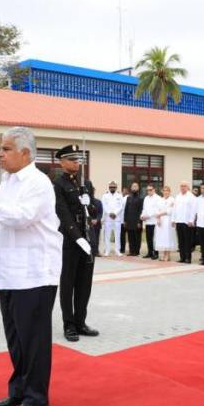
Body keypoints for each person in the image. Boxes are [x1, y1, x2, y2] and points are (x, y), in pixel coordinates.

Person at [0, 126, 63, 406]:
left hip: (34, 274)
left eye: (6, 149)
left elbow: (20, 218)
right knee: (16, 337)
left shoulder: (39, 183)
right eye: (0, 148)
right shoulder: (5, 183)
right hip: (9, 273)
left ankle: (36, 396)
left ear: (25, 153)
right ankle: (18, 389)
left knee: (33, 338)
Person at [52, 144, 98, 342]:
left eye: (78, 159)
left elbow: (94, 211)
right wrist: (77, 237)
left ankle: (81, 322)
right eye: (72, 159)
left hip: (87, 238)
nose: (76, 162)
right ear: (62, 162)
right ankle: (69, 324)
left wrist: (91, 204)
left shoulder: (85, 184)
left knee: (84, 284)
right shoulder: (58, 185)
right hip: (71, 240)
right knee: (68, 283)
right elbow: (63, 213)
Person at [172, 181, 197, 263]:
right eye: (181, 186)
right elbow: (174, 209)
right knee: (181, 241)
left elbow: (194, 209)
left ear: (187, 187)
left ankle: (188, 258)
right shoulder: (178, 196)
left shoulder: (191, 196)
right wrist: (173, 220)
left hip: (187, 222)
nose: (183, 187)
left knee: (187, 241)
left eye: (184, 186)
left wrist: (191, 220)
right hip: (179, 221)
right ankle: (182, 257)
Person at [154, 185, 176, 261]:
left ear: (169, 192)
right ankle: (164, 254)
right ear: (162, 191)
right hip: (161, 220)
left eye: (167, 190)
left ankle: (167, 255)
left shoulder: (172, 200)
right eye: (164, 190)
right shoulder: (160, 200)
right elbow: (157, 209)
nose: (165, 192)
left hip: (168, 220)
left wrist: (160, 214)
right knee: (162, 237)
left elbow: (170, 210)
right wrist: (158, 218)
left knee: (168, 237)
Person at [101, 181, 124, 256]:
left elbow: (121, 206)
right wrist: (109, 213)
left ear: (116, 187)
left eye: (114, 187)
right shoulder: (105, 196)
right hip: (108, 218)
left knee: (117, 235)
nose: (112, 188)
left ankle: (117, 250)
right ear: (109, 187)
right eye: (111, 187)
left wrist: (115, 213)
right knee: (107, 235)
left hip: (117, 218)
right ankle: (107, 250)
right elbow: (104, 206)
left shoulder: (119, 196)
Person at [141, 184, 161, 259]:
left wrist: (148, 215)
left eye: (150, 190)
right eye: (147, 190)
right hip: (147, 221)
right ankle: (150, 252)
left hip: (154, 221)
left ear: (154, 190)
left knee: (155, 238)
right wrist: (142, 216)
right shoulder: (146, 198)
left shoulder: (158, 198)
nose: (149, 191)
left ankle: (156, 253)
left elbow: (157, 210)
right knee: (148, 238)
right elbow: (144, 209)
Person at [123, 182, 144, 256]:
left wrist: (139, 221)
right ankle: (131, 251)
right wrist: (125, 220)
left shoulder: (141, 198)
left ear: (138, 188)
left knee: (137, 237)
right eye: (133, 186)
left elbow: (141, 210)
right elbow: (126, 209)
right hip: (129, 220)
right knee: (130, 237)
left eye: (136, 186)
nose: (134, 188)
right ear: (131, 188)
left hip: (137, 221)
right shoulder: (128, 198)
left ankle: (136, 251)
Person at [89, 185, 103, 257]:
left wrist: (97, 219)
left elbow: (100, 213)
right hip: (88, 223)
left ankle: (96, 252)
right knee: (89, 238)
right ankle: (89, 252)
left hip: (97, 223)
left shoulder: (98, 202)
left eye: (93, 190)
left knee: (96, 238)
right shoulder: (86, 202)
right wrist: (90, 220)